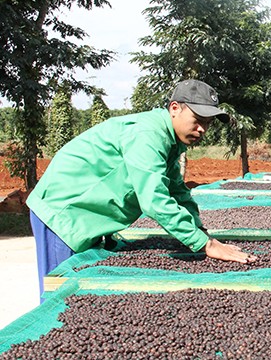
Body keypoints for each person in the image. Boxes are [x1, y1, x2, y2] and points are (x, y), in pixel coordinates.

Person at [27, 79, 256, 298]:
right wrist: (205, 245)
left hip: (86, 216)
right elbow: (154, 199)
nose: (202, 129)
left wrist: (201, 233)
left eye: (207, 123)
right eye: (197, 119)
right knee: (62, 296)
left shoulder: (170, 142)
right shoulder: (148, 135)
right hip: (64, 214)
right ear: (174, 108)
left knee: (79, 296)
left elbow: (177, 192)